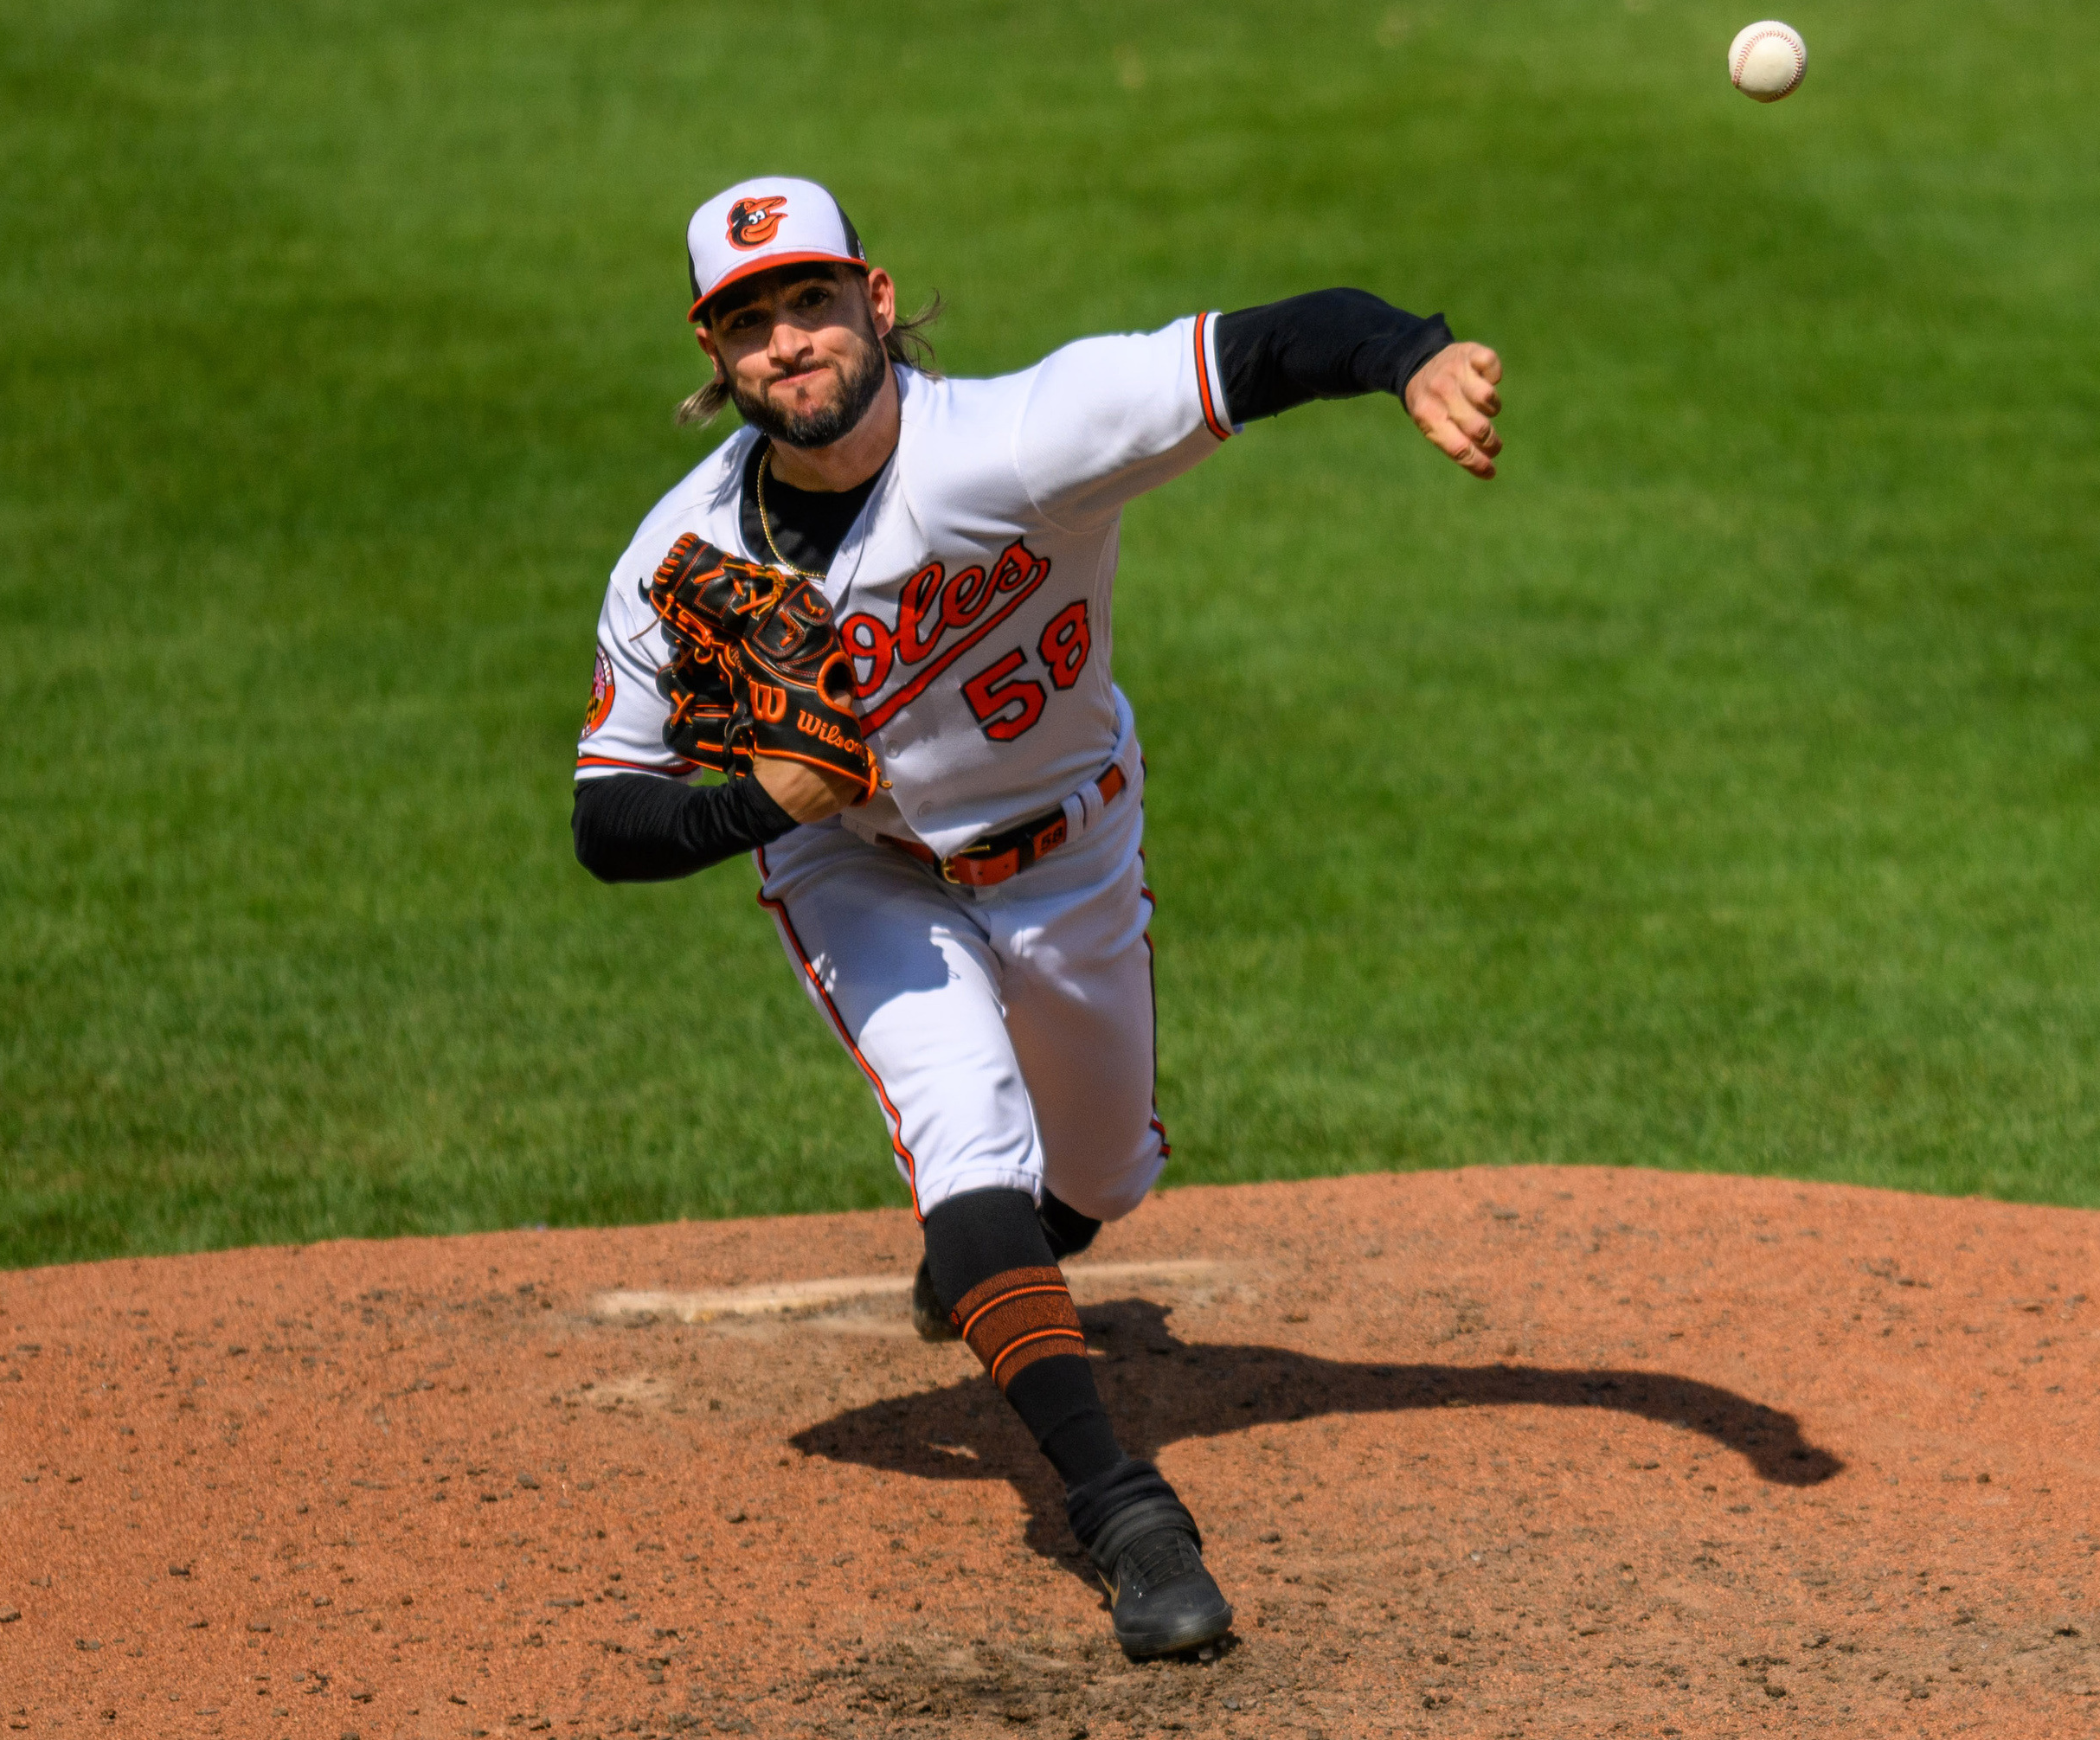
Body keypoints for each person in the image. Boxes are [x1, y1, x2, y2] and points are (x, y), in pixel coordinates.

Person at [570, 176, 1504, 1660]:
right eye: (748, 324)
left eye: (810, 301)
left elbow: (1262, 348)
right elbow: (604, 822)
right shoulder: (681, 563)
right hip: (860, 870)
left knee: (1100, 1182)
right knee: (964, 1139)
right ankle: (1125, 1514)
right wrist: (768, 807)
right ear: (719, 360)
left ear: (876, 303)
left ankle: (997, 1258)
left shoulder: (1018, 439)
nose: (785, 342)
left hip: (1071, 854)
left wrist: (1410, 357)